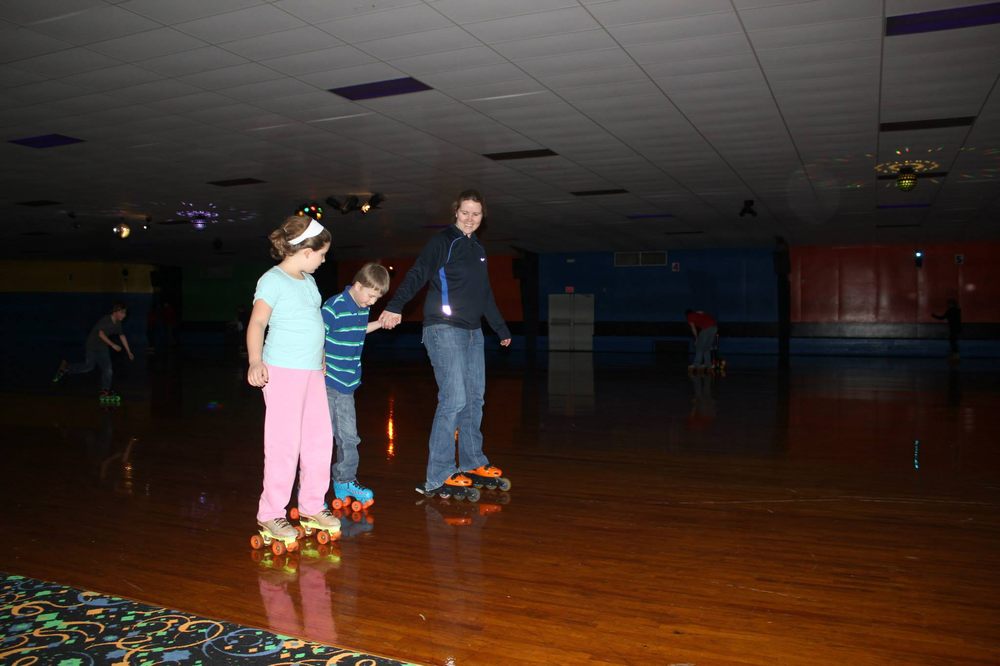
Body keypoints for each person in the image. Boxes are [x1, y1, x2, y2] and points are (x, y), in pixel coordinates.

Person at [378, 189, 512, 499]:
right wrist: (396, 305)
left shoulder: (478, 248)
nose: (469, 218)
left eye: (475, 214)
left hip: (472, 332)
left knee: (475, 398)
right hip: (443, 328)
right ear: (455, 213)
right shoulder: (443, 242)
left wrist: (500, 327)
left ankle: (472, 461)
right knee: (454, 399)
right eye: (465, 212)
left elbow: (484, 292)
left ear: (482, 218)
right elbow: (419, 272)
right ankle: (439, 472)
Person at [247, 215, 339, 553]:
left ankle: (313, 506)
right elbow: (257, 323)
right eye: (322, 253)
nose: (324, 259)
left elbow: (313, 324)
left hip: (313, 372)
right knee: (284, 445)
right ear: (305, 251)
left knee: (319, 441)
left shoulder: (308, 282)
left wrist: (322, 356)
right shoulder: (272, 280)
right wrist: (256, 360)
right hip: (282, 372)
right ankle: (271, 512)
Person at [322, 262, 390, 510]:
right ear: (358, 285)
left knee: (350, 437)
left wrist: (380, 323)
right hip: (327, 384)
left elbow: (359, 331)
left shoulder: (361, 307)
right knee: (321, 439)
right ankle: (313, 492)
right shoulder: (334, 307)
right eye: (371, 296)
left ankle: (345, 481)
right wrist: (318, 361)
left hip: (348, 384)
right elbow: (316, 335)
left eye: (376, 298)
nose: (372, 302)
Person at [54, 303, 134, 398]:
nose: (124, 316)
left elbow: (122, 335)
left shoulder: (118, 322)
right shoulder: (106, 320)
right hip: (92, 345)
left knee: (108, 369)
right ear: (115, 312)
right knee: (88, 367)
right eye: (122, 313)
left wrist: (128, 351)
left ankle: (105, 391)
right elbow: (101, 334)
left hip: (102, 347)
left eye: (125, 314)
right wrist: (113, 345)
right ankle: (66, 368)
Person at [685, 309, 718, 374]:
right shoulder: (698, 313)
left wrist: (696, 338)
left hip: (706, 328)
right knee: (707, 348)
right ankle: (708, 364)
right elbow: (702, 312)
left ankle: (696, 364)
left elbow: (693, 328)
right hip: (714, 328)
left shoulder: (689, 316)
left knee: (699, 347)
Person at [932, 298, 962, 362]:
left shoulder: (950, 311)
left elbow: (942, 317)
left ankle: (955, 355)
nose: (948, 305)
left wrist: (934, 316)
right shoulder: (957, 311)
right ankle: (955, 355)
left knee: (952, 341)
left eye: (949, 304)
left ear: (951, 304)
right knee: (953, 341)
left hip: (953, 328)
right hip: (957, 328)